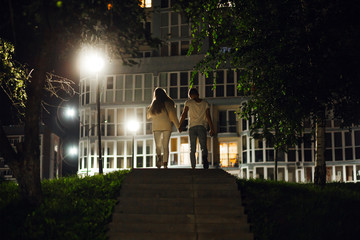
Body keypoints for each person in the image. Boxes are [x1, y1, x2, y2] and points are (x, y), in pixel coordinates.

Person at [179, 88, 215, 169]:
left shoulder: (188, 102)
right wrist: (212, 128)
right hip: (202, 126)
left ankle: (193, 166)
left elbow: (184, 114)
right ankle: (205, 160)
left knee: (193, 147)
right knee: (203, 146)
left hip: (192, 127)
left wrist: (180, 125)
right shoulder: (205, 103)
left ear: (190, 95)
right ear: (198, 94)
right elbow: (208, 116)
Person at [147, 87, 180, 168]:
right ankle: (165, 164)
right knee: (165, 146)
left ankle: (159, 157)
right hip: (166, 126)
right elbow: (173, 116)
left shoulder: (154, 104)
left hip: (156, 126)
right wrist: (178, 126)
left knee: (158, 145)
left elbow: (148, 116)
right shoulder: (169, 102)